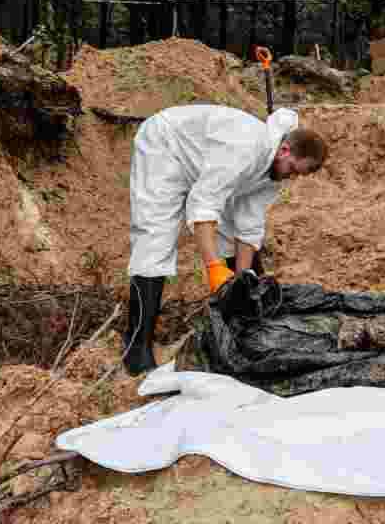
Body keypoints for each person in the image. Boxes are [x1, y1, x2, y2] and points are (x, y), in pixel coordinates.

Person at [123, 104, 327, 375]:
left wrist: (243, 280)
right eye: (292, 170)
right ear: (285, 150)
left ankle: (240, 326)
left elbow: (248, 225)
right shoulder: (244, 148)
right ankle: (136, 350)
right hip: (166, 146)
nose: (292, 177)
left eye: (297, 175)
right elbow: (205, 202)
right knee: (155, 237)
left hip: (204, 162)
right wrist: (214, 267)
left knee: (230, 236)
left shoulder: (275, 173)